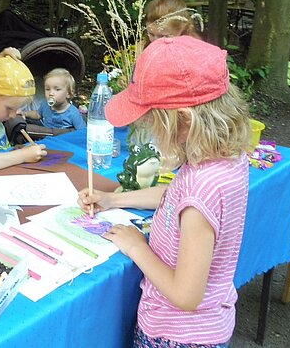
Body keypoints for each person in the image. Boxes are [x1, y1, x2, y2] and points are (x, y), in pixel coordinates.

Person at [78, 36, 251, 348]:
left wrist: (136, 247)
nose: (149, 131)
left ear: (183, 120)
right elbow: (175, 195)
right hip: (204, 329)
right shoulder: (223, 160)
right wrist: (113, 199)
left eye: (152, 123)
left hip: (176, 336)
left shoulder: (202, 189)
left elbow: (186, 295)